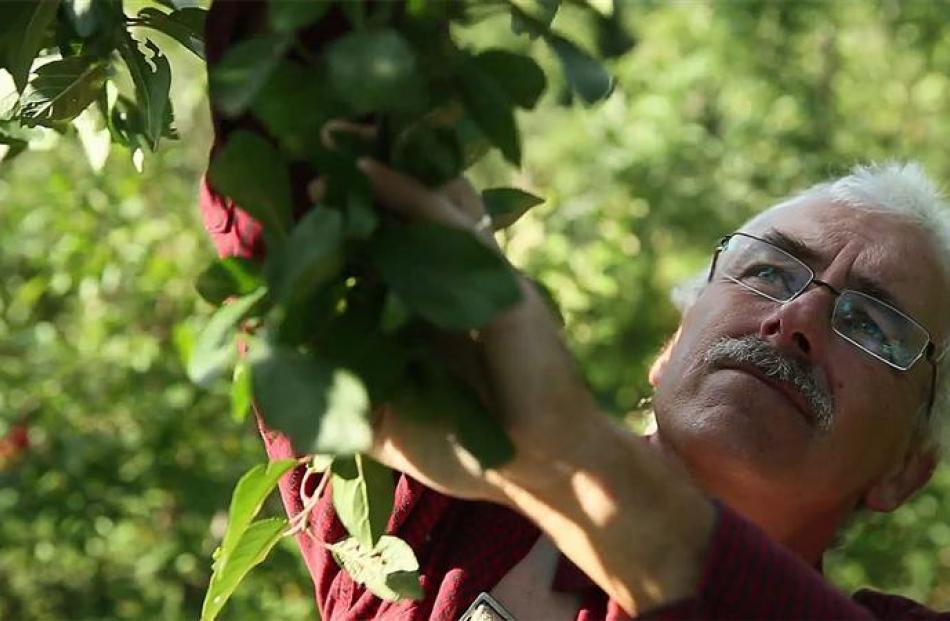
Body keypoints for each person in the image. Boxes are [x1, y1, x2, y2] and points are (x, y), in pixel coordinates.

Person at [199, 6, 950, 619]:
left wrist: (556, 457)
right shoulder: (419, 503)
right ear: (671, 342)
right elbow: (294, 160)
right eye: (771, 268)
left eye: (872, 325)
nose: (798, 319)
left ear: (905, 471)